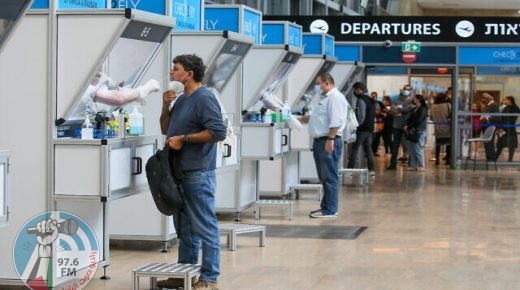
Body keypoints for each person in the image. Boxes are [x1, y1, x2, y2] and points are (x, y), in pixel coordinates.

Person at [158, 54, 227, 290]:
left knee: (205, 226)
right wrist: (165, 106)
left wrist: (185, 139)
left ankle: (210, 278)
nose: (171, 73)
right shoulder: (181, 100)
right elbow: (166, 128)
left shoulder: (204, 98)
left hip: (198, 174)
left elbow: (218, 132)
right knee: (184, 229)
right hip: (179, 173)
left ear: (188, 74)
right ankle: (183, 274)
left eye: (175, 69)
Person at [302, 72, 348, 218]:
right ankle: (326, 207)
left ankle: (330, 210)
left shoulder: (334, 98)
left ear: (326, 82)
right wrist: (296, 119)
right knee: (325, 176)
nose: (317, 87)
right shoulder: (327, 98)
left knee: (329, 176)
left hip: (327, 141)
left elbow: (335, 121)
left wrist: (330, 139)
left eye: (318, 83)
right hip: (322, 141)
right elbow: (319, 118)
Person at [72, 70, 160, 119]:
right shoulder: (86, 84)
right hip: (79, 130)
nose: (100, 71)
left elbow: (118, 90)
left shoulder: (102, 77)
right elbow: (118, 98)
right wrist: (142, 90)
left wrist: (132, 95)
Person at [347, 83, 375, 176]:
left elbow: (361, 116)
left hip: (362, 129)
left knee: (355, 149)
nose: (354, 92)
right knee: (368, 149)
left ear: (358, 89)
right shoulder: (370, 99)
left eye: (354, 90)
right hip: (370, 128)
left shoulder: (361, 100)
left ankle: (349, 170)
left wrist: (356, 125)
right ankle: (372, 170)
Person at [387, 84, 413, 170]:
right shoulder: (396, 100)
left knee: (409, 146)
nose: (406, 91)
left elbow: (409, 110)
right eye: (405, 89)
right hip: (397, 126)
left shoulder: (412, 101)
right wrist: (401, 111)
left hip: (408, 126)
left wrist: (398, 110)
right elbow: (391, 111)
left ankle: (411, 164)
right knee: (395, 146)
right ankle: (393, 164)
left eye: (408, 89)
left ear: (411, 91)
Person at [404, 94, 428, 171]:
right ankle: (413, 165)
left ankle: (421, 165)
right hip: (412, 131)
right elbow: (410, 118)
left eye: (414, 98)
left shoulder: (423, 109)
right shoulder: (414, 109)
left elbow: (419, 120)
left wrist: (409, 126)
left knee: (418, 148)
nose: (413, 99)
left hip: (419, 131)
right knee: (411, 149)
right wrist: (407, 125)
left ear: (418, 100)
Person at [496, 96, 520, 161]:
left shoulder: (515, 108)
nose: (504, 101)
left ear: (509, 100)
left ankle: (510, 159)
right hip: (502, 128)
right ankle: (495, 157)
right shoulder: (506, 107)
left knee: (511, 145)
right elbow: (501, 117)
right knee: (500, 143)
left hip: (510, 129)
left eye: (505, 99)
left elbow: (510, 119)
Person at [430, 93, 451, 166]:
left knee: (438, 144)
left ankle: (437, 160)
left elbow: (431, 118)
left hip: (437, 127)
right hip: (447, 127)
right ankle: (448, 160)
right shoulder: (448, 105)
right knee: (448, 144)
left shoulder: (433, 106)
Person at [480, 92, 500, 161]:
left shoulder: (494, 105)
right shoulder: (486, 106)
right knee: (487, 143)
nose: (482, 99)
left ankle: (491, 158)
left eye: (483, 98)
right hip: (485, 126)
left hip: (490, 127)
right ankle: (489, 158)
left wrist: (487, 118)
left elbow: (497, 117)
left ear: (488, 98)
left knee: (490, 143)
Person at [371, 91, 385, 156]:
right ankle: (371, 150)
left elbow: (384, 112)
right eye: (372, 96)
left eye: (374, 96)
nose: (373, 97)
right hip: (372, 122)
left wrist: (380, 115)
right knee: (372, 137)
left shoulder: (380, 103)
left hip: (379, 122)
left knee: (377, 137)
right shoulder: (369, 103)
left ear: (376, 97)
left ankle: (375, 150)